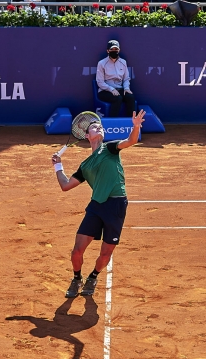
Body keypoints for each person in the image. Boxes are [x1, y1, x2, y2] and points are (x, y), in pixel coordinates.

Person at [51, 109, 145, 298]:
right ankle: (77, 278)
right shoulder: (85, 166)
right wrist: (57, 165)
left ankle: (93, 276)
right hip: (96, 207)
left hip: (116, 206)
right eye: (95, 126)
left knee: (105, 254)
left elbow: (130, 141)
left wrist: (135, 127)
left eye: (100, 126)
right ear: (87, 136)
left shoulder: (110, 149)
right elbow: (66, 185)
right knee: (77, 251)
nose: (99, 127)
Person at [96, 39, 135, 116]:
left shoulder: (123, 62)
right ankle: (112, 123)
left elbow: (126, 78)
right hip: (105, 91)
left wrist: (126, 88)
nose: (114, 51)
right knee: (118, 98)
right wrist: (111, 89)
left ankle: (132, 123)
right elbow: (100, 82)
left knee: (130, 97)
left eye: (116, 49)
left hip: (120, 89)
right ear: (108, 51)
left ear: (119, 50)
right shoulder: (101, 63)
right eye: (112, 49)